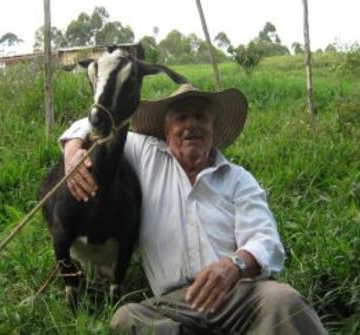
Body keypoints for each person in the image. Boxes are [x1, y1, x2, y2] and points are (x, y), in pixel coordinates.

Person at [59, 84, 327, 334]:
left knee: (284, 300)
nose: (191, 125)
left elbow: (266, 239)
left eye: (200, 117)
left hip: (237, 294)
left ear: (213, 129)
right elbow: (101, 120)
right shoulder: (146, 155)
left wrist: (232, 266)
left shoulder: (238, 179)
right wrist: (73, 153)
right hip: (175, 305)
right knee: (126, 319)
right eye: (181, 118)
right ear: (166, 131)